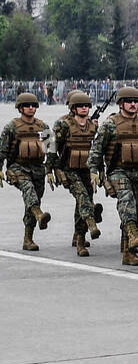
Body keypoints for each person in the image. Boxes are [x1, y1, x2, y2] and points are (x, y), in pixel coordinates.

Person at [88, 86, 138, 265]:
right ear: (121, 104)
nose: (133, 104)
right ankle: (132, 237)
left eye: (136, 101)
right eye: (129, 101)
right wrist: (95, 171)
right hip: (118, 171)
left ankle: (128, 252)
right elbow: (96, 150)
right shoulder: (110, 124)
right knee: (127, 201)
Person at [49, 90, 102, 256]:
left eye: (86, 105)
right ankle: (89, 229)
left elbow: (98, 150)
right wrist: (49, 169)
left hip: (86, 170)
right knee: (82, 197)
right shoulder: (62, 124)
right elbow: (48, 142)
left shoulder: (93, 126)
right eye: (80, 106)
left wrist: (99, 170)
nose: (84, 108)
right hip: (68, 169)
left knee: (84, 201)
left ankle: (79, 236)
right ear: (73, 108)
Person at [0, 92, 53, 251]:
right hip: (18, 167)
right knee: (29, 191)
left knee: (33, 200)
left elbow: (51, 150)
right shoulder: (11, 127)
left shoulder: (43, 127)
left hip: (38, 169)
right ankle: (39, 214)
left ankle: (28, 238)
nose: (31, 108)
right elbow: (2, 150)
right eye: (27, 106)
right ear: (20, 108)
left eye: (33, 105)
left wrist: (50, 170)